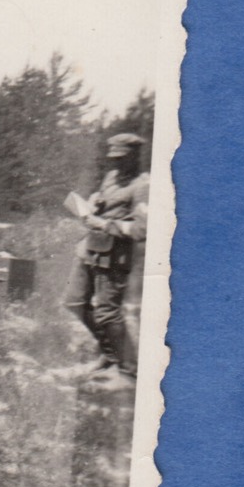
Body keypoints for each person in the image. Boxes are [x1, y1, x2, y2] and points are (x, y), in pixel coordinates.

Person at [62, 132, 149, 385]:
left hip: (114, 256)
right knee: (74, 301)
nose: (116, 164)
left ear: (135, 157)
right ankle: (111, 354)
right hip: (89, 248)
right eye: (113, 158)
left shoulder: (143, 186)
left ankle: (130, 371)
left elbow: (141, 230)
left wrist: (102, 223)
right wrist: (94, 203)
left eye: (121, 159)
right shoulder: (111, 177)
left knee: (108, 313)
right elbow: (107, 202)